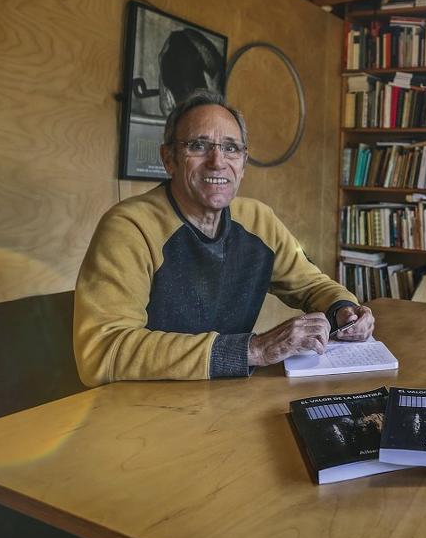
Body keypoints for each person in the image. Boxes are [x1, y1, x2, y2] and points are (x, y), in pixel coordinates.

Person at [74, 90, 373, 385]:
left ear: (243, 164)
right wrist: (252, 350)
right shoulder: (129, 227)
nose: (218, 161)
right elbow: (102, 351)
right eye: (199, 145)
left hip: (225, 395)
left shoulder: (260, 220)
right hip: (139, 407)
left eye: (231, 148)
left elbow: (313, 284)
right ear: (169, 159)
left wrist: (343, 310)